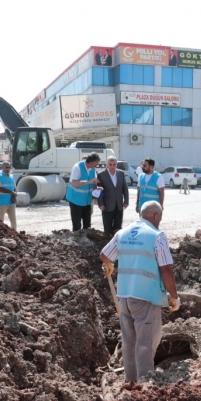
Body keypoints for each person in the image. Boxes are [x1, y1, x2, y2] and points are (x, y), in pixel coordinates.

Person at [100, 201, 179, 382]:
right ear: (155, 216)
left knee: (129, 343)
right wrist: (174, 296)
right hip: (146, 297)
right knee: (146, 343)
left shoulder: (122, 233)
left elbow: (104, 255)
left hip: (125, 298)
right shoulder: (157, 236)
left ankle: (131, 382)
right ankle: (144, 387)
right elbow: (166, 269)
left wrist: (109, 265)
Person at [66, 152, 100, 231]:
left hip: (87, 201)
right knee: (77, 225)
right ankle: (76, 242)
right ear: (91, 163)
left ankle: (86, 241)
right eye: (95, 164)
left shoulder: (93, 168)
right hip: (75, 200)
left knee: (87, 225)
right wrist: (89, 181)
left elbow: (93, 182)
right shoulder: (77, 167)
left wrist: (96, 188)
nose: (96, 166)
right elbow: (74, 183)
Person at [97, 156, 129, 234]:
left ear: (116, 165)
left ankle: (116, 244)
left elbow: (125, 188)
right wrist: (100, 204)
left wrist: (126, 201)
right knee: (107, 228)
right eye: (110, 164)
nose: (112, 166)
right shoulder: (101, 174)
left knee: (118, 228)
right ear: (107, 164)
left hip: (119, 205)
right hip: (107, 206)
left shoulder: (121, 173)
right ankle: (108, 243)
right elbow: (99, 191)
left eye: (114, 164)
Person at [0, 160, 18, 230]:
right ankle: (0, 236)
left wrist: (14, 196)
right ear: (2, 167)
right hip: (2, 202)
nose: (8, 169)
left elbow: (14, 188)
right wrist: (12, 193)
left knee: (13, 221)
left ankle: (15, 236)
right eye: (6, 167)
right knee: (0, 221)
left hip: (11, 202)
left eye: (9, 167)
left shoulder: (11, 176)